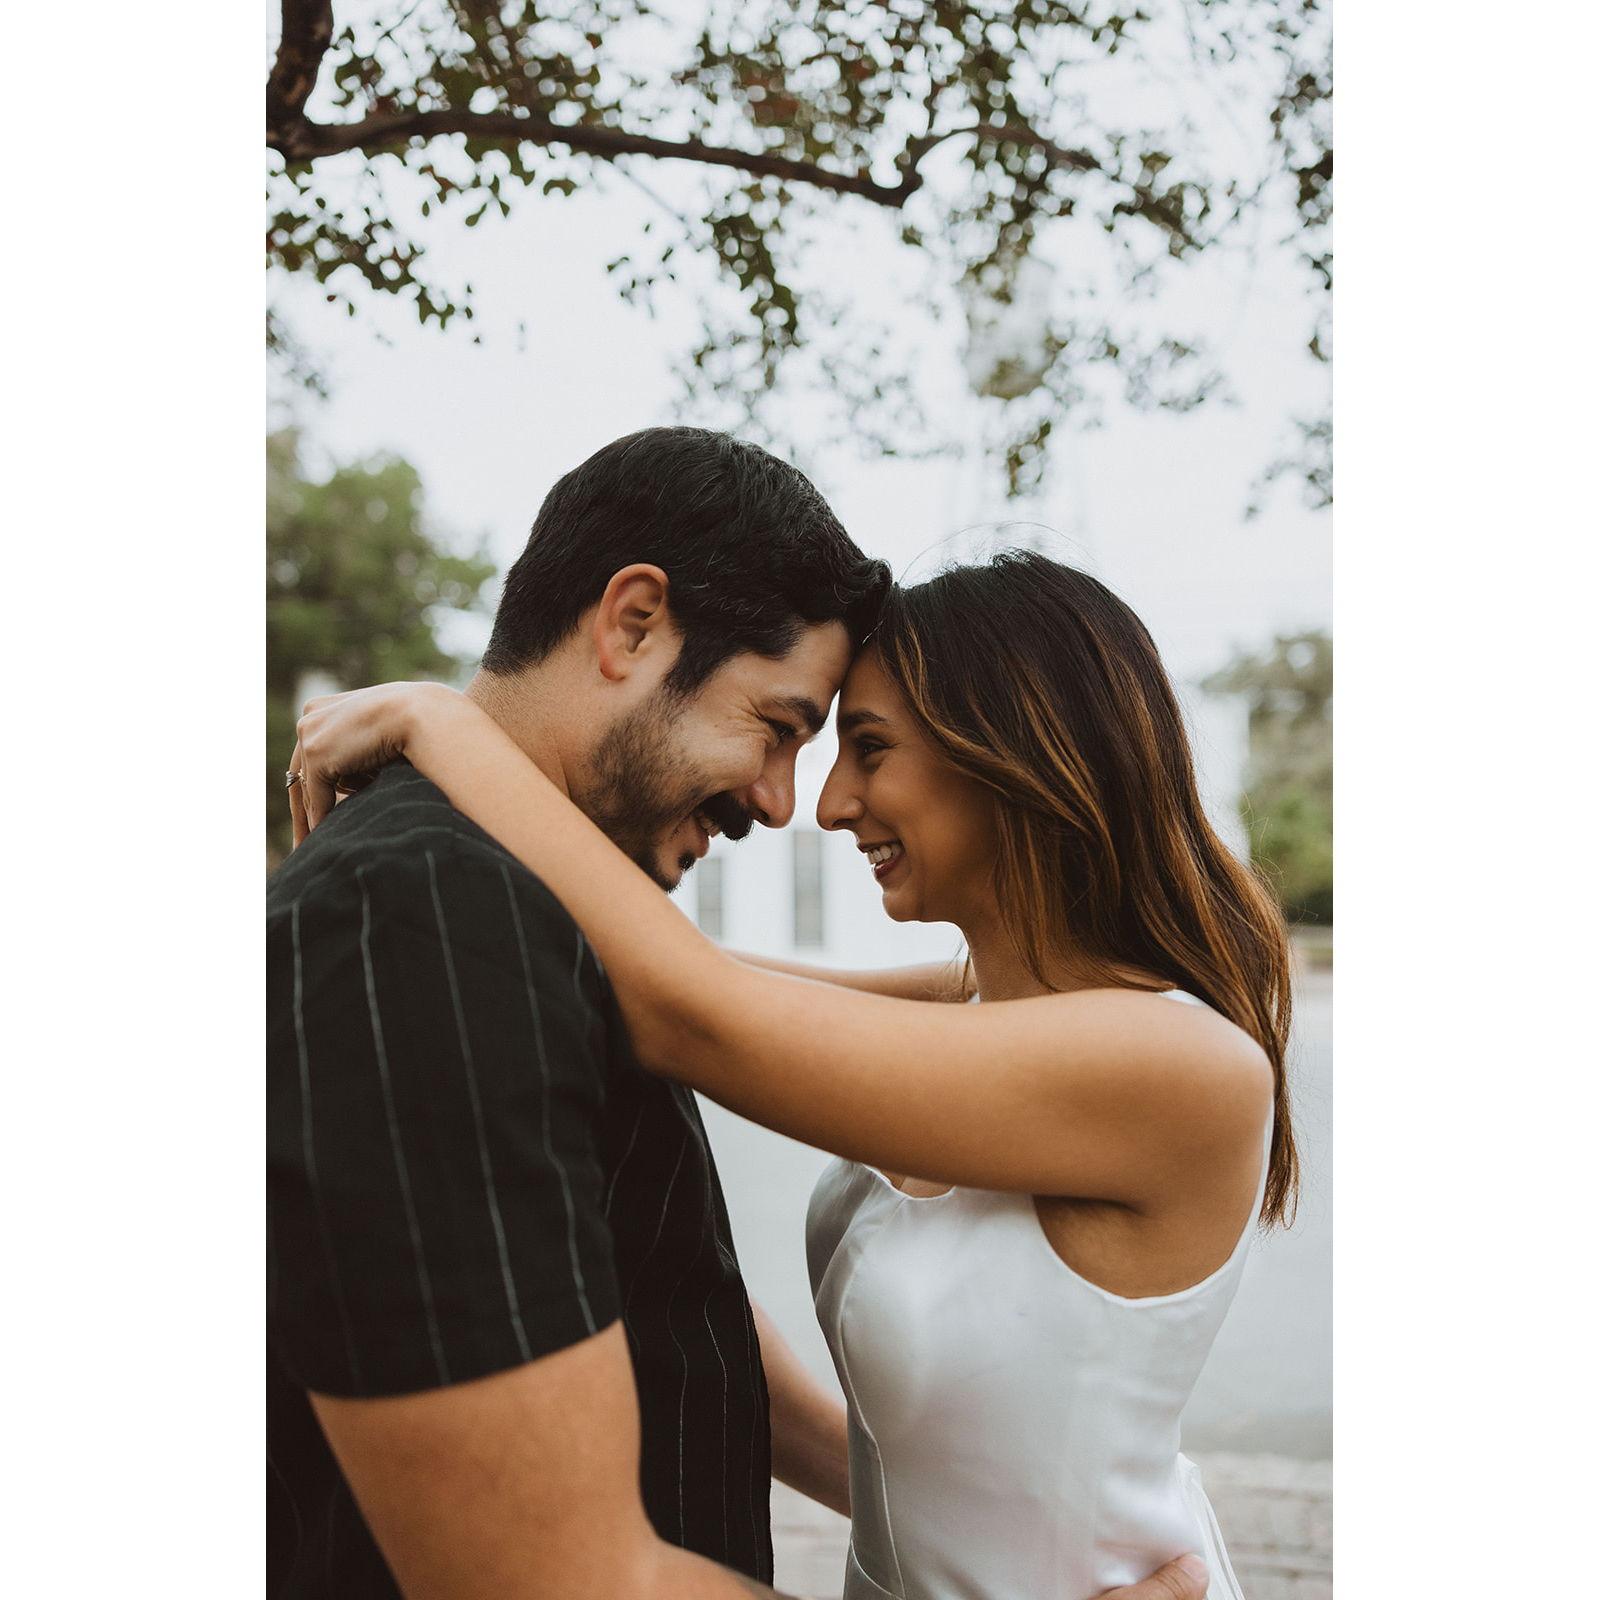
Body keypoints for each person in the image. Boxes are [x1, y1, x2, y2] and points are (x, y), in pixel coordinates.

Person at [268, 427, 1209, 1600]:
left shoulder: (560, 925)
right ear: (632, 625)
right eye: (782, 725)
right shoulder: (418, 913)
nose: (789, 801)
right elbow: (555, 1582)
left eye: (855, 747)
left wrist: (445, 723)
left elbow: (653, 1274)